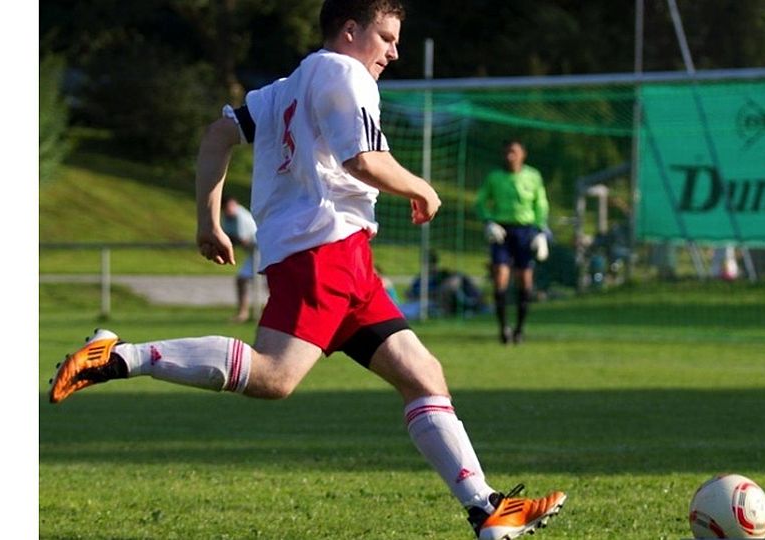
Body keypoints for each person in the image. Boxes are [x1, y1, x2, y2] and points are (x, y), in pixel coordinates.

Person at [47, 2, 566, 539]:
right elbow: (360, 159)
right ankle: (117, 357)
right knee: (274, 376)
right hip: (326, 249)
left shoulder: (284, 87)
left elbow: (215, 136)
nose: (394, 51)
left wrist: (208, 220)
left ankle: (487, 509)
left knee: (423, 375)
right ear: (350, 31)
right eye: (386, 37)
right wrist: (421, 187)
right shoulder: (345, 72)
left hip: (339, 256)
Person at [475, 140, 550, 345]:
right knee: (500, 276)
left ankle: (520, 329)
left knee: (525, 279)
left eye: (514, 152)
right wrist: (488, 221)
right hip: (502, 231)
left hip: (525, 231)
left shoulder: (533, 176)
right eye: (507, 152)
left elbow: (540, 203)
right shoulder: (495, 177)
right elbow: (480, 201)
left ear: (523, 154)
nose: (510, 156)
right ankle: (503, 329)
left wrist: (540, 231)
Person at [220, 195, 259, 322]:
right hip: (253, 254)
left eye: (232, 205)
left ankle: (277, 314)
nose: (230, 209)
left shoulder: (240, 216)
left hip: (262, 251)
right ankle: (243, 313)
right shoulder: (227, 218)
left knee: (270, 284)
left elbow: (242, 240)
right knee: (241, 280)